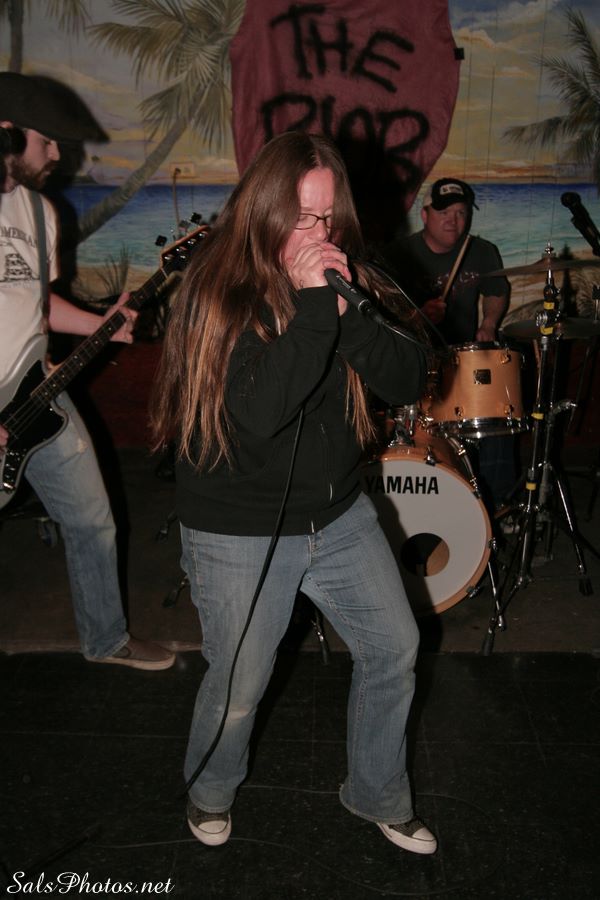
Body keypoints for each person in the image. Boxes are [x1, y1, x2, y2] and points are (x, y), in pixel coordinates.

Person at [151, 131, 437, 853]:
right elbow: (258, 413)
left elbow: (408, 376)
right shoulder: (217, 291)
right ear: (265, 210)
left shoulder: (342, 280)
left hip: (338, 515)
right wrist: (316, 310)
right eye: (302, 218)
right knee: (242, 682)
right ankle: (210, 789)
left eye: (328, 218)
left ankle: (376, 792)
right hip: (237, 529)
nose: (318, 235)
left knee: (394, 648)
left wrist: (346, 318)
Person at [0, 72, 174, 671]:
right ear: (5, 135)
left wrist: (104, 323)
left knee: (93, 519)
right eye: (45, 139)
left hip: (37, 389)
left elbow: (38, 305)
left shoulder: (40, 212)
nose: (57, 154)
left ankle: (105, 641)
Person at [385, 177, 516, 507]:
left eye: (461, 213)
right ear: (425, 214)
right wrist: (419, 316)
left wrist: (488, 324)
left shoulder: (481, 251)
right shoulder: (399, 255)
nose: (453, 221)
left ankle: (497, 502)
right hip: (415, 357)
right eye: (444, 212)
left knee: (497, 408)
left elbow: (497, 292)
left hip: (463, 359)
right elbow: (382, 314)